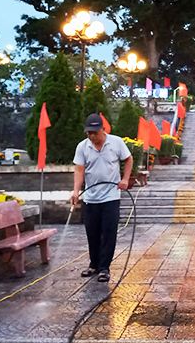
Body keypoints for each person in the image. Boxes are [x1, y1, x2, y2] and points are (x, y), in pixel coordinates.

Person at [70, 113, 133, 282]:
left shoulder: (116, 142)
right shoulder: (83, 147)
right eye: (88, 133)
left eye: (94, 133)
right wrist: (76, 191)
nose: (91, 136)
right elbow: (79, 170)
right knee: (92, 232)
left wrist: (125, 179)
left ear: (102, 130)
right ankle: (94, 264)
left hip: (111, 197)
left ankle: (104, 268)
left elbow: (128, 159)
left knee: (109, 232)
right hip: (91, 197)